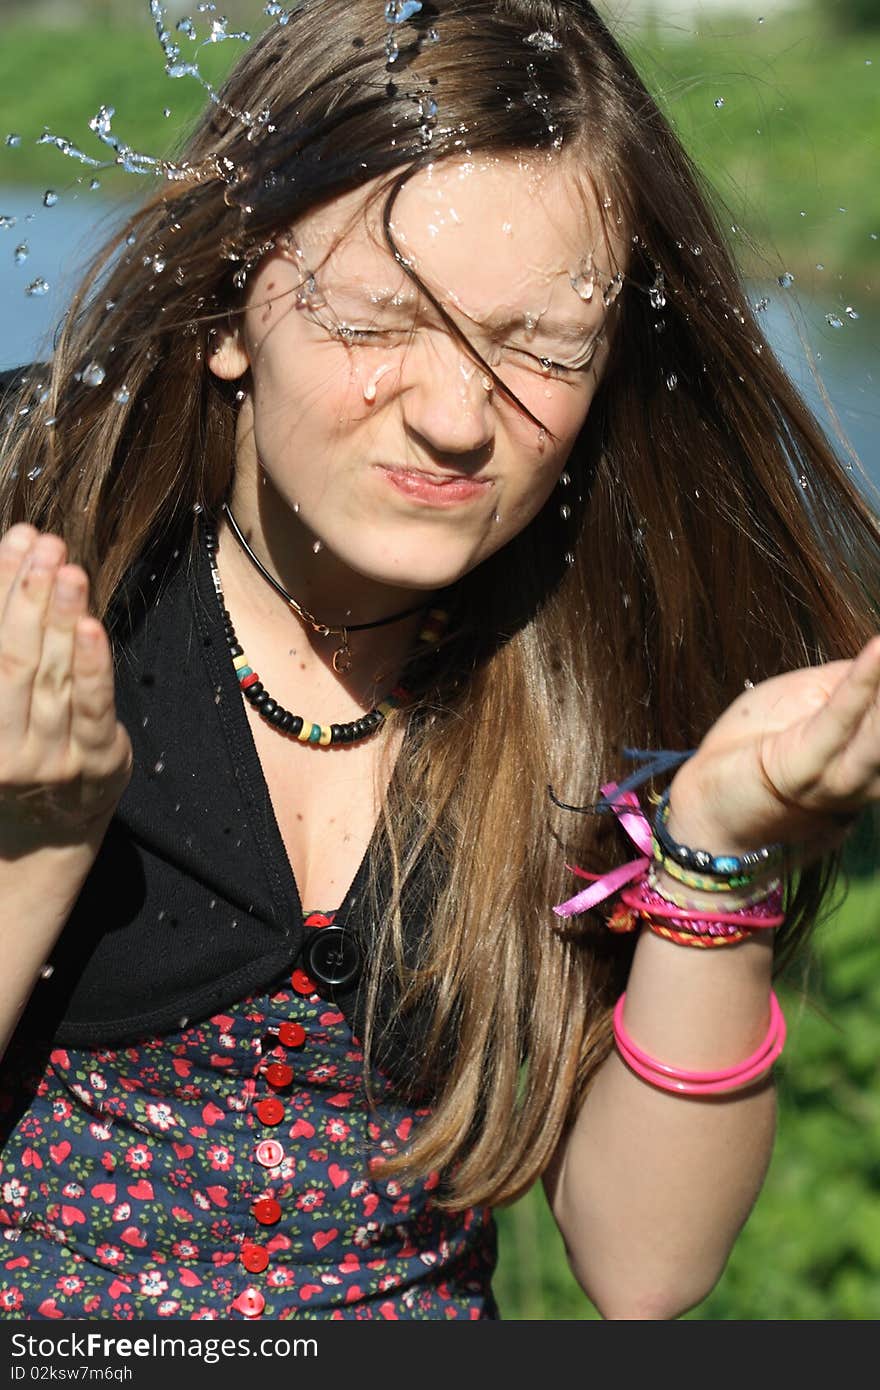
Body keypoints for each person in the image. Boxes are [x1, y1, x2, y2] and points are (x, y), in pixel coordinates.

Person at [0, 0, 878, 1323]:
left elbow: (645, 1271)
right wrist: (32, 846)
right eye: (378, 320)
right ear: (232, 306)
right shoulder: (34, 521)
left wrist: (714, 851)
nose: (457, 418)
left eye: (539, 349)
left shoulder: (617, 636)